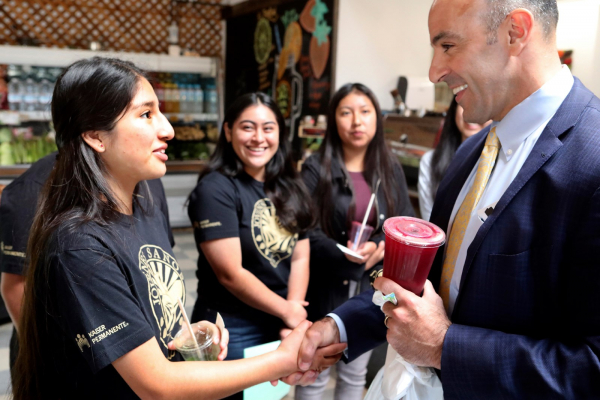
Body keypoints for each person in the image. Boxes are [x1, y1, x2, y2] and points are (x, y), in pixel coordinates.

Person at [283, 0, 600, 398]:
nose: (434, 72)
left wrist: (444, 347)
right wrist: (338, 326)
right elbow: (428, 286)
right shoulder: (471, 154)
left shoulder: (592, 158)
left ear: (515, 32)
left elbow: (592, 367)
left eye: (447, 46)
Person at [12, 58, 336, 399]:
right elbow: (156, 385)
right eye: (146, 114)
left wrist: (184, 334)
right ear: (96, 136)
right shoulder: (78, 246)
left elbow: (145, 314)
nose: (168, 130)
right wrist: (282, 360)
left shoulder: (147, 200)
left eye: (160, 112)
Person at [187, 92, 316, 399]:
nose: (259, 138)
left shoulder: (289, 183)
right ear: (228, 131)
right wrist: (288, 311)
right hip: (232, 326)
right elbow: (230, 273)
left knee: (268, 396)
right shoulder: (215, 189)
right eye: (248, 127)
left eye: (268, 128)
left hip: (277, 319)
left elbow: (300, 253)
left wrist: (293, 311)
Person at [0, 151, 174, 377]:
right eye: (145, 115)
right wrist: (52, 367)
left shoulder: (148, 181)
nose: (166, 131)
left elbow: (158, 261)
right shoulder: (31, 191)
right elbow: (16, 287)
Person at [297, 83, 414, 400]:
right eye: (346, 113)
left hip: (369, 287)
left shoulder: (389, 168)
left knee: (354, 374)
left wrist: (379, 246)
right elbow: (304, 231)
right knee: (312, 372)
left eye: (365, 112)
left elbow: (403, 221)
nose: (356, 121)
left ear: (377, 118)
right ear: (334, 119)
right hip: (323, 285)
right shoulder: (315, 168)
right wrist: (342, 254)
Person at [418, 98, 491, 220]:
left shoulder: (503, 165)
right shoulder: (431, 161)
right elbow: (429, 220)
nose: (472, 112)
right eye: (463, 102)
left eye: (482, 104)